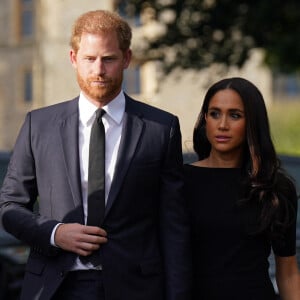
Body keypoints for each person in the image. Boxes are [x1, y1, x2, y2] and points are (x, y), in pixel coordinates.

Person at [0, 10, 191, 300]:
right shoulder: (38, 125)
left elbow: (173, 225)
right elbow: (10, 206)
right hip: (57, 286)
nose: (99, 70)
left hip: (136, 289)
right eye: (89, 59)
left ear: (127, 59)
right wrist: (55, 233)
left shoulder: (161, 129)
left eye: (109, 59)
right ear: (74, 58)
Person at [184, 77, 300, 300]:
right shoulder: (180, 182)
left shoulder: (275, 187)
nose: (222, 124)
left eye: (235, 115)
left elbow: (288, 272)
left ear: (252, 122)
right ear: (205, 119)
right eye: (215, 113)